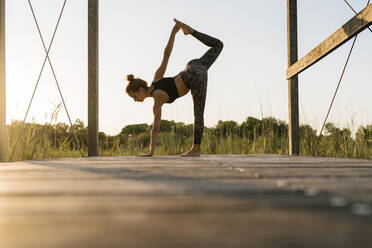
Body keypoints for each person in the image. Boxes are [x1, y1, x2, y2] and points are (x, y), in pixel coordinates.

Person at [125, 18, 223, 157]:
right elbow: (166, 55)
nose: (135, 100)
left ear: (140, 90)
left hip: (195, 76)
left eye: (134, 97)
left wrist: (151, 152)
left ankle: (195, 149)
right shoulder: (156, 78)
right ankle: (191, 31)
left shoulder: (157, 99)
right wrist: (173, 32)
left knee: (198, 113)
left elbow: (155, 129)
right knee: (218, 45)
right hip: (193, 65)